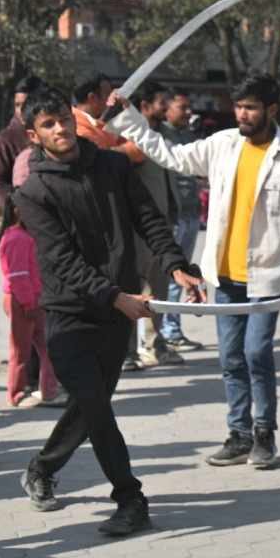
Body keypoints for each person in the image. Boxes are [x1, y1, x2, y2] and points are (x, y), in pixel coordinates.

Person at [108, 74, 280, 470]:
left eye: (251, 108)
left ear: (271, 110)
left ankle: (264, 433)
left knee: (256, 353)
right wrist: (127, 119)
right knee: (231, 358)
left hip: (266, 278)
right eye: (239, 107)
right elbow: (170, 155)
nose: (243, 115)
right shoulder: (223, 145)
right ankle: (239, 434)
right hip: (225, 277)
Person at [13, 88, 201, 536]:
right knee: (97, 405)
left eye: (62, 118)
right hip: (69, 314)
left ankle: (41, 468)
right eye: (48, 124)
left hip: (115, 312)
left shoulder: (113, 166)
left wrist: (176, 266)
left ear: (74, 118)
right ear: (33, 135)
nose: (60, 129)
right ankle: (130, 497)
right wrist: (118, 297)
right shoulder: (33, 192)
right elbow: (61, 260)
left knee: (90, 404)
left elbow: (149, 218)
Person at [127, 85, 187, 368]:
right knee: (130, 287)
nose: (166, 107)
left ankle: (153, 344)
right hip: (137, 226)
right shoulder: (129, 136)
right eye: (162, 102)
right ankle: (126, 352)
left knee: (159, 288)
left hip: (163, 224)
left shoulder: (166, 136)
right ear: (145, 105)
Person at [0, 195, 61, 409]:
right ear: (17, 210)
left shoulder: (24, 235)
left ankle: (50, 391)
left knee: (48, 347)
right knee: (21, 349)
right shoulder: (16, 238)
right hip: (22, 300)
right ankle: (16, 393)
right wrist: (29, 303)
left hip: (32, 298)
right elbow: (18, 276)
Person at [154, 90, 206, 352]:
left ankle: (172, 330)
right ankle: (165, 333)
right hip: (172, 216)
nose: (188, 113)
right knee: (170, 276)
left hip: (190, 213)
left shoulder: (187, 136)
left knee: (183, 276)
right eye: (182, 107)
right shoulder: (159, 137)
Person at [0, 75, 45, 228]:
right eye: (17, 105)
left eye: (27, 104)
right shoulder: (6, 139)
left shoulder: (57, 132)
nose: (21, 111)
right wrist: (19, 203)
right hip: (23, 222)